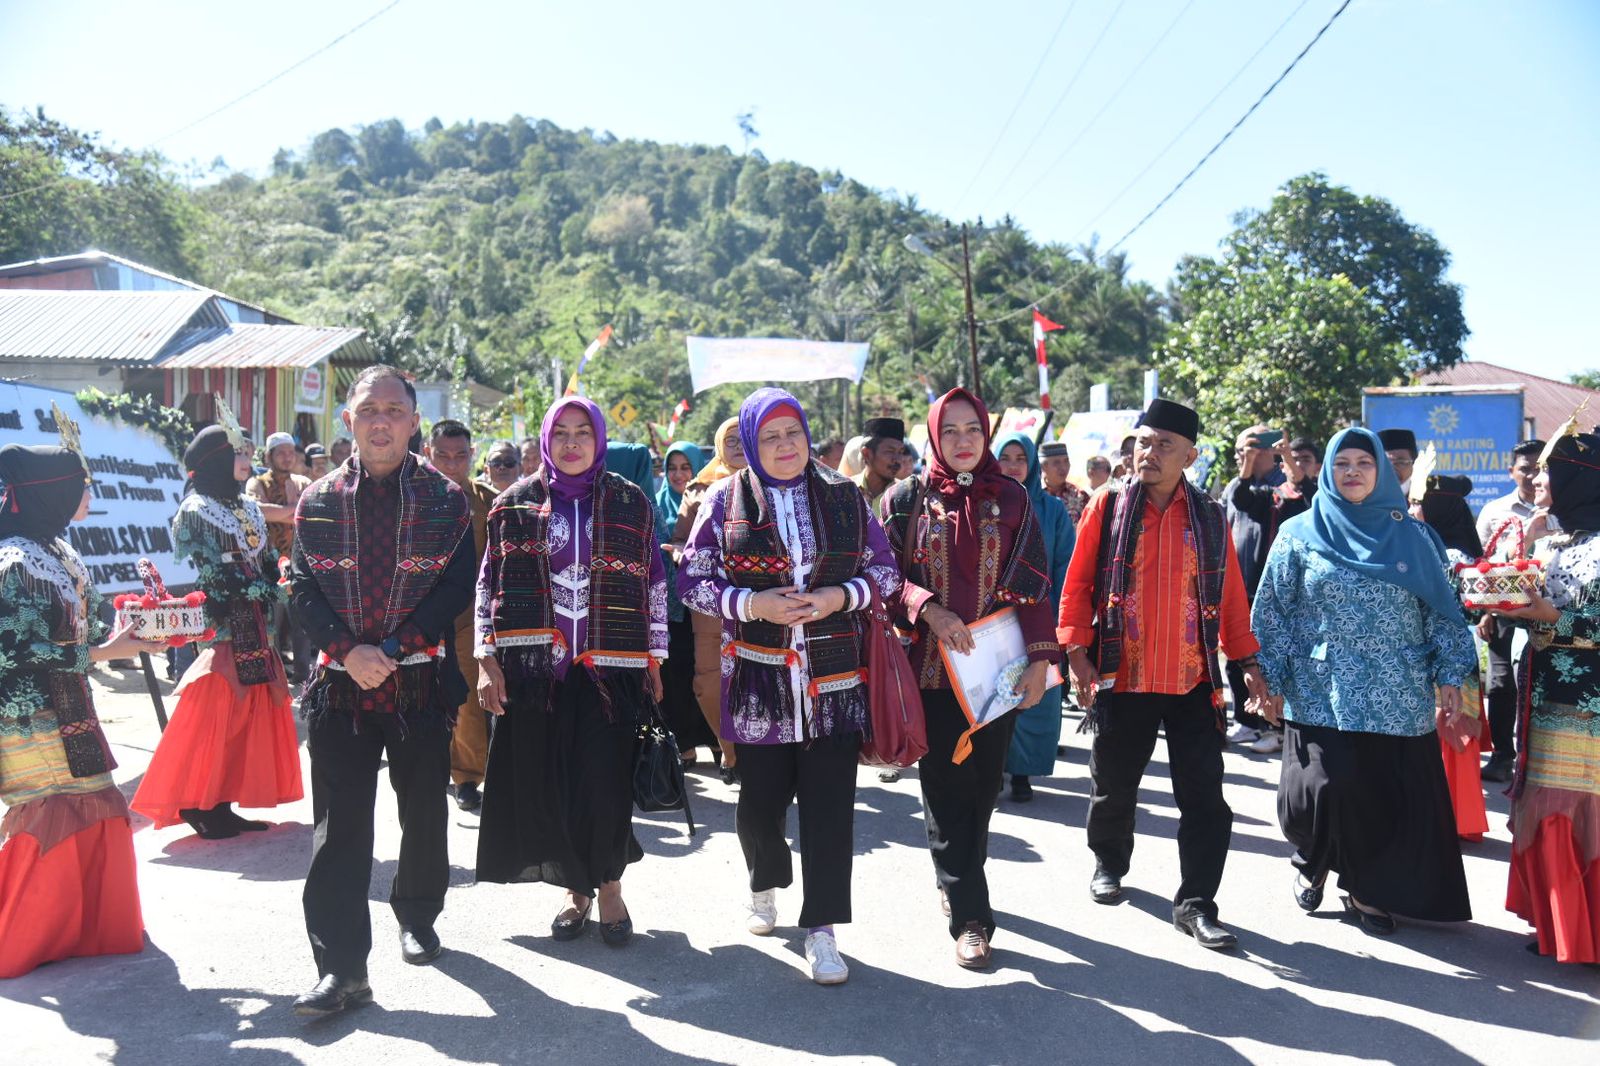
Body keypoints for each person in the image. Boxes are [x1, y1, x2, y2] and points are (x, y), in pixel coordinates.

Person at [680, 388, 900, 985]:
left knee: (831, 811)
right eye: (771, 436)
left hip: (834, 681)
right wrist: (753, 604)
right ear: (751, 443)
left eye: (794, 434)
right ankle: (765, 882)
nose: (785, 446)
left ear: (808, 437)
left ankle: (823, 931)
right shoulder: (723, 501)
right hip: (759, 680)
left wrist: (837, 596)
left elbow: (884, 572)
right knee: (758, 808)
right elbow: (693, 583)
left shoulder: (846, 497)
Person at [288, 366, 475, 1016]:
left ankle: (419, 915)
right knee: (337, 833)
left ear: (414, 421)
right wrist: (349, 652)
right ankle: (341, 971)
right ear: (348, 419)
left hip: (419, 685)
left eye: (395, 410)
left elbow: (457, 584)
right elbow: (301, 588)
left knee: (422, 810)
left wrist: (390, 650)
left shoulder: (448, 500)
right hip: (340, 690)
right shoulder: (316, 502)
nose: (381, 421)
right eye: (370, 409)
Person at [1058, 398, 1265, 951]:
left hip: (1193, 680)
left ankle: (1197, 903)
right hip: (1124, 675)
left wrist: (1248, 663)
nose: (1148, 454)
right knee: (1114, 785)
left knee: (1204, 798)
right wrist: (1076, 652)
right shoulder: (1106, 506)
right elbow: (1077, 584)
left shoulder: (1210, 515)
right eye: (1144, 443)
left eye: (1163, 445)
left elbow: (1230, 595)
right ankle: (1109, 861)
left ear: (1190, 456)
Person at [1251, 427, 1475, 937]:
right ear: (1327, 470)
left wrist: (1449, 673)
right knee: (1323, 788)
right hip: (1320, 686)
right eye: (1342, 462)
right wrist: (1268, 677)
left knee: (1377, 792)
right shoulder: (1297, 534)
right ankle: (1312, 855)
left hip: (1397, 687)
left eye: (1364, 463)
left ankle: (1364, 888)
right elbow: (1272, 613)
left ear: (1380, 472)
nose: (1352, 471)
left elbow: (1443, 612)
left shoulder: (1415, 537)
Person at [475, 396, 667, 950]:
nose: (573, 442)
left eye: (584, 431)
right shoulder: (514, 504)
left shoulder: (630, 502)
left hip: (612, 669)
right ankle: (573, 892)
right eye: (562, 432)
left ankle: (609, 887)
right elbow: (489, 585)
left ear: (600, 438)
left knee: (604, 782)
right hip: (537, 672)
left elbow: (654, 581)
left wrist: (654, 657)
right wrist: (487, 659)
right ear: (545, 440)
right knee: (552, 783)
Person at [882, 388, 1055, 970]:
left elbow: (1031, 583)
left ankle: (954, 875)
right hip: (930, 674)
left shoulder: (1012, 498)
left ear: (986, 434)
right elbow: (879, 576)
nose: (962, 441)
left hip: (996, 676)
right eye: (950, 430)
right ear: (933, 435)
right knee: (949, 787)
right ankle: (972, 916)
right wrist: (929, 608)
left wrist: (1039, 660)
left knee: (983, 791)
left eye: (973, 430)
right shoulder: (905, 499)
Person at [0, 438, 161, 979]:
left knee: (93, 799)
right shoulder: (14, 560)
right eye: (81, 485)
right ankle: (25, 936)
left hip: (71, 702)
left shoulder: (58, 549)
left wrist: (128, 632)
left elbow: (81, 628)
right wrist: (101, 651)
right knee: (48, 807)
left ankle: (81, 927)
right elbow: (14, 650)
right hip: (26, 714)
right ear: (53, 492)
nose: (87, 494)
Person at [131, 424, 302, 838]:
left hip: (258, 625)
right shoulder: (198, 508)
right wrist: (271, 588)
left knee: (244, 718)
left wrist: (276, 572)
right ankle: (194, 801)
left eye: (246, 454)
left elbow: (261, 559)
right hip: (225, 626)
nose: (246, 462)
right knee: (215, 715)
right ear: (217, 462)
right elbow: (216, 576)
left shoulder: (245, 505)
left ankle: (221, 802)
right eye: (238, 455)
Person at [1494, 429, 1600, 963]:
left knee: (1576, 805)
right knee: (1547, 801)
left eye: (1549, 471)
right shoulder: (1558, 538)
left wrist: (1550, 617)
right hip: (1541, 694)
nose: (1537, 479)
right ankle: (1559, 923)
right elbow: (1512, 586)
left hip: (1590, 706)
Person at [993, 433, 1074, 802]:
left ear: (1031, 464)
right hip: (992, 622)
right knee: (992, 694)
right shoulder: (984, 503)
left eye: (1019, 458)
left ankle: (1023, 771)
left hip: (1039, 617)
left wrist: (1058, 622)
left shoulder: (1052, 510)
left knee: (1035, 696)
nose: (1012, 465)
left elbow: (1065, 567)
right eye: (1004, 457)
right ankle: (993, 769)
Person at [423, 419, 499, 813]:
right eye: (443, 456)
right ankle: (425, 771)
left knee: (468, 697)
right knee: (419, 695)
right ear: (427, 454)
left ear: (472, 456)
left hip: (469, 612)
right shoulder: (411, 493)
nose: (452, 465)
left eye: (461, 456)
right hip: (417, 610)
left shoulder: (485, 499)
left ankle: (467, 777)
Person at [671, 417, 748, 783]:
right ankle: (731, 751)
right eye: (728, 439)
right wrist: (680, 554)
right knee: (708, 682)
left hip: (757, 600)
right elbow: (679, 541)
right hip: (710, 602)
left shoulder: (772, 485)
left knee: (755, 677)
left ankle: (755, 756)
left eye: (741, 438)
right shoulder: (699, 489)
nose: (735, 445)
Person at [1221, 425, 1306, 755]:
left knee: (1268, 657)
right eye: (1242, 449)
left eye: (1253, 448)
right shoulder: (1234, 485)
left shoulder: (1283, 484)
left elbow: (1301, 496)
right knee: (1235, 655)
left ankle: (1273, 726)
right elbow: (1232, 514)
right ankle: (1246, 719)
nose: (1245, 454)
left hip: (1269, 585)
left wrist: (1282, 460)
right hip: (1236, 582)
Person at [1415, 474, 1491, 841]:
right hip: (1461, 658)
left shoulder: (1446, 557)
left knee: (1444, 732)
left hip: (1438, 658)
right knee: (1454, 732)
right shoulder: (1463, 556)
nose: (1413, 510)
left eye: (1419, 504)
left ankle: (1442, 820)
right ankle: (1461, 819)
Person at [1475, 439, 1547, 782]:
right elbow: (1482, 565)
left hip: (1547, 615)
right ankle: (1503, 755)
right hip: (1504, 614)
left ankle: (1536, 757)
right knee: (1502, 685)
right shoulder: (1495, 511)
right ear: (1511, 472)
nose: (1533, 475)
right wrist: (1486, 613)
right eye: (1525, 468)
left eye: (1540, 467)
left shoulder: (1564, 508)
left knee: (1540, 686)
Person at [654, 441, 717, 762]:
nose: (679, 475)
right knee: (677, 678)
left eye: (685, 467)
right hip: (671, 612)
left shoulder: (711, 499)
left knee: (708, 674)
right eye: (672, 468)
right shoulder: (656, 504)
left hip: (707, 606)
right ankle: (685, 744)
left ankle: (718, 742)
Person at [247, 431, 314, 684]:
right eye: (281, 453)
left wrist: (282, 513)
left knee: (302, 622)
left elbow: (310, 512)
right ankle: (273, 674)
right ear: (269, 456)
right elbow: (259, 512)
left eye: (291, 452)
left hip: (299, 562)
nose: (287, 457)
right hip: (269, 564)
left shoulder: (303, 483)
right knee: (271, 622)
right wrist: (294, 512)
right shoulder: (257, 483)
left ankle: (303, 675)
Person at [851, 417, 906, 514]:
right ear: (867, 454)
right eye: (890, 451)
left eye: (901, 452)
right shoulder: (846, 490)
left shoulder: (906, 496)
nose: (897, 459)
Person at [1038, 441, 1089, 523]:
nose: (1063, 467)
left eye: (1066, 461)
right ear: (1043, 466)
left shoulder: (1080, 495)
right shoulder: (1032, 495)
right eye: (1056, 462)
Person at [1378, 428, 1419, 496]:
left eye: (1400, 462)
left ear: (1413, 463)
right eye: (1386, 462)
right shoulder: (1365, 497)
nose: (1392, 468)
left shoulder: (1430, 495)